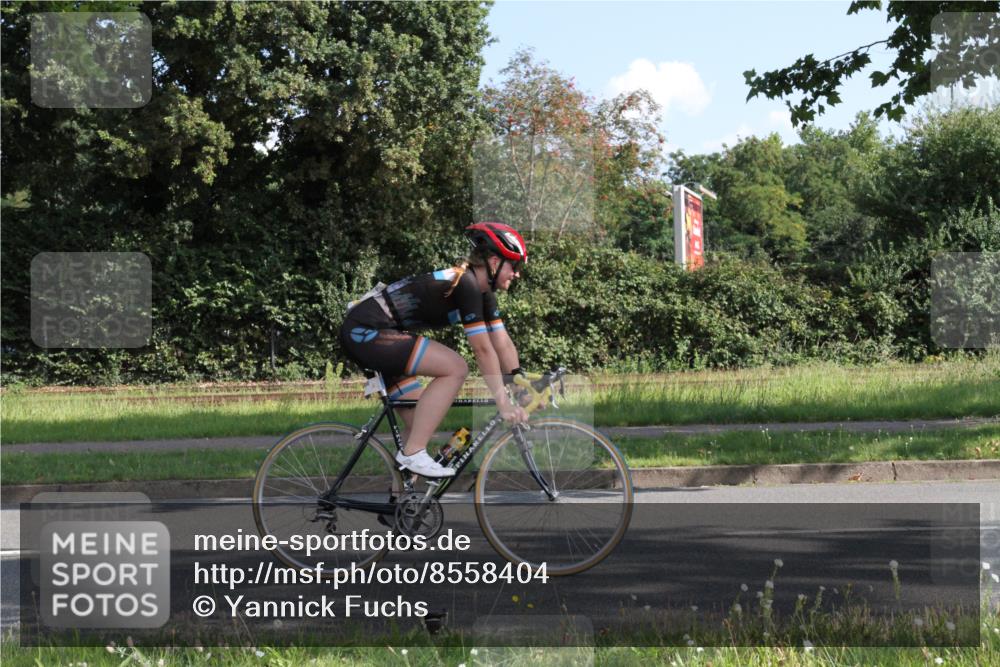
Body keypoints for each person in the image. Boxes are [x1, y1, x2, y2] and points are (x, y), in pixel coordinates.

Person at [339, 222, 530, 478]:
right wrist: (503, 402)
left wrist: (521, 386)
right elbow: (483, 350)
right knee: (456, 368)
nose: (517, 274)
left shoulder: (483, 294)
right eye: (514, 267)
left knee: (421, 420)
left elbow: (501, 342)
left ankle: (403, 498)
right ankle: (412, 453)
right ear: (495, 262)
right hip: (367, 331)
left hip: (374, 334)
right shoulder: (467, 284)